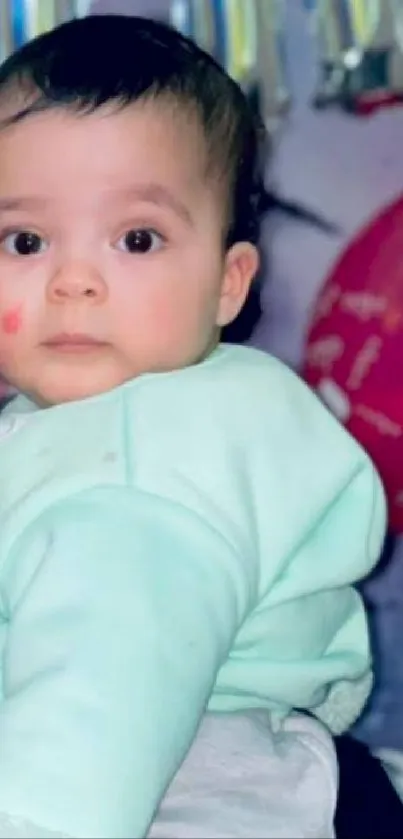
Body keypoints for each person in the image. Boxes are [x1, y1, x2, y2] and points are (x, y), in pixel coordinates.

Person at [0, 14, 386, 839]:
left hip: (177, 782)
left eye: (136, 238)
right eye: (24, 239)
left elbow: (88, 721)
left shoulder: (136, 476)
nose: (73, 281)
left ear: (225, 281)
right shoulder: (105, 418)